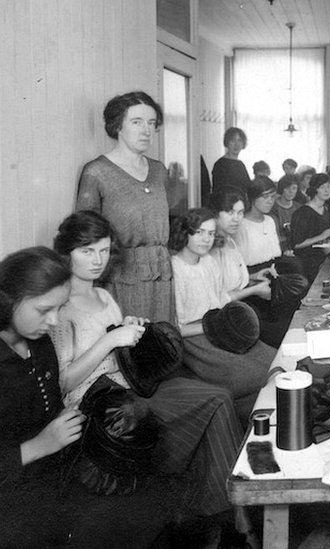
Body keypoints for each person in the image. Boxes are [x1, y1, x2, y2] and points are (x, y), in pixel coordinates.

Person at [0, 247, 177, 548]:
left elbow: (46, 404)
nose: (54, 320)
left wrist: (71, 418)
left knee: (155, 495)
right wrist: (35, 447)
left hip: (43, 477)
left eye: (60, 307)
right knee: (118, 522)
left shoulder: (37, 344)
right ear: (9, 300)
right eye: (44, 310)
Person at [50, 210, 246, 526]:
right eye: (87, 251)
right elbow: (62, 383)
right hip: (103, 408)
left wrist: (131, 329)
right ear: (65, 253)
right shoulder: (61, 309)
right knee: (213, 403)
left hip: (132, 386)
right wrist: (110, 339)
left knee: (221, 396)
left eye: (103, 250)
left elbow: (119, 349)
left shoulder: (102, 295)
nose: (97, 260)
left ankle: (225, 508)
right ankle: (228, 516)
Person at [169, 208, 278, 423]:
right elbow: (174, 328)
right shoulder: (174, 269)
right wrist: (214, 327)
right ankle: (243, 422)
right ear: (184, 233)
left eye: (210, 234)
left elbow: (222, 298)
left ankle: (259, 418)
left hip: (220, 329)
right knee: (254, 375)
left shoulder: (208, 261)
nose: (206, 239)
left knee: (276, 359)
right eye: (199, 232)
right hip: (193, 340)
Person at [76, 91, 174, 324]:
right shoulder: (97, 172)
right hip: (121, 275)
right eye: (137, 122)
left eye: (151, 123)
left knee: (163, 344)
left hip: (161, 273)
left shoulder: (159, 170)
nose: (146, 130)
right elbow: (84, 236)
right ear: (118, 126)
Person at [212, 187, 302, 347]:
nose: (236, 219)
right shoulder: (213, 249)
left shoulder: (229, 241)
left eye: (240, 213)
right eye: (230, 212)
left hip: (242, 306)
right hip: (230, 318)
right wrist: (255, 289)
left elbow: (232, 280)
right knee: (292, 330)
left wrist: (254, 277)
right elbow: (219, 298)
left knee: (295, 313)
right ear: (215, 213)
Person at [291, 173, 330, 283]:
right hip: (308, 263)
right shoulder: (302, 213)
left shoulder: (325, 209)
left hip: (323, 258)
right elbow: (296, 244)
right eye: (322, 187)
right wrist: (323, 236)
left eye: (329, 187)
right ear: (314, 189)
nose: (327, 190)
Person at [236, 176, 283, 271]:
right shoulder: (241, 224)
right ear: (252, 197)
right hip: (252, 275)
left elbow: (276, 253)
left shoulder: (270, 220)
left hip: (273, 269)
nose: (270, 201)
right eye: (265, 196)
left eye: (273, 196)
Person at [211, 127, 251, 196]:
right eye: (233, 140)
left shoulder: (240, 164)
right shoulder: (220, 164)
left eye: (239, 140)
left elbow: (247, 187)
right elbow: (219, 191)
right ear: (227, 142)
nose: (236, 144)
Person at [271, 174, 301, 253]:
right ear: (282, 189)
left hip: (297, 247)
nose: (291, 192)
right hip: (278, 248)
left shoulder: (299, 207)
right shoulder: (272, 208)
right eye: (287, 188)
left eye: (294, 188)